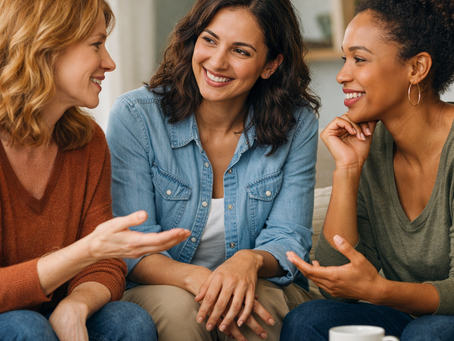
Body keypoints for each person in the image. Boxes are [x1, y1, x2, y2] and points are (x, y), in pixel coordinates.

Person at [106, 0, 319, 339]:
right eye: (209, 40)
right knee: (180, 309)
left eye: (241, 51)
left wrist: (248, 262)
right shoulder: (136, 116)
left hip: (259, 284)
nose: (217, 62)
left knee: (253, 301)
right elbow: (133, 246)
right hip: (159, 286)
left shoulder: (297, 124)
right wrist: (206, 281)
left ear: (270, 64)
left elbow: (288, 239)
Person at [0, 0, 191, 340]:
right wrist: (87, 249)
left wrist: (77, 304)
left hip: (54, 309)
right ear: (46, 45)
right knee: (25, 327)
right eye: (96, 44)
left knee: (127, 320)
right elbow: (94, 252)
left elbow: (105, 265)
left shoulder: (87, 142)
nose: (110, 62)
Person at [280, 0, 454, 340]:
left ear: (417, 68)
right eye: (345, 58)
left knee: (428, 332)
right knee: (308, 319)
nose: (343, 75)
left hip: (434, 323)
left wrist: (381, 290)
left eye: (359, 59)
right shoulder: (372, 146)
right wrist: (348, 168)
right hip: (411, 316)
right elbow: (335, 281)